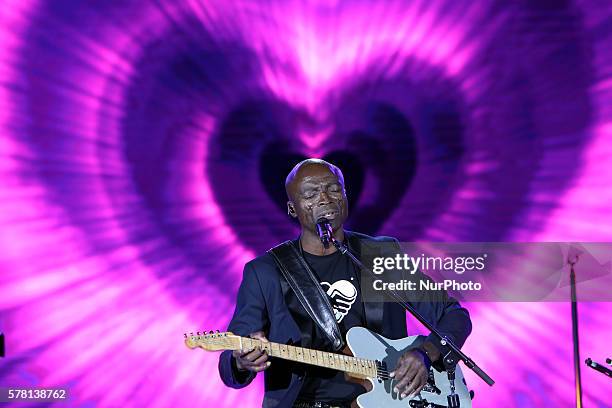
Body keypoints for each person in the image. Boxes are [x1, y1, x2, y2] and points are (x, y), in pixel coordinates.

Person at [218, 159, 471, 408]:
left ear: (345, 196)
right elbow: (233, 353)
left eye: (333, 189)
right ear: (292, 209)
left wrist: (427, 352)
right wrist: (241, 362)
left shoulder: (380, 255)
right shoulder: (265, 272)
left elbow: (453, 314)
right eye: (310, 193)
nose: (324, 198)